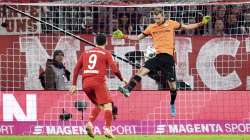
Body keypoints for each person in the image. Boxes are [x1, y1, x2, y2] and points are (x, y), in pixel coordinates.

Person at [112, 8, 211, 117]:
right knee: (141, 71)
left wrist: (201, 23)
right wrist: (123, 36)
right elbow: (138, 37)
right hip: (156, 56)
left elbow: (186, 26)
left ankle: (172, 103)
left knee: (173, 87)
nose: (157, 20)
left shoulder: (171, 23)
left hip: (168, 58)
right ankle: (128, 90)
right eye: (155, 18)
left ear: (163, 16)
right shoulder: (151, 27)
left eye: (159, 18)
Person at [70, 34, 127, 139]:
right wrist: (122, 79)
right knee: (108, 105)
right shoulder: (106, 53)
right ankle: (108, 129)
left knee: (99, 105)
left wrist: (73, 84)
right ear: (105, 42)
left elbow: (76, 69)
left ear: (95, 42)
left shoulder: (85, 53)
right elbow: (114, 70)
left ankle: (90, 123)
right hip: (98, 82)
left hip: (85, 83)